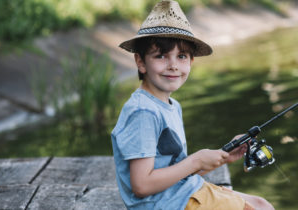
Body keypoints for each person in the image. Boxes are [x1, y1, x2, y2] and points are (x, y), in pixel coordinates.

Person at [111, 1, 274, 209]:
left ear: (191, 62)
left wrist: (222, 156)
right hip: (166, 204)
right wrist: (196, 160)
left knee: (261, 204)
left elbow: (176, 172)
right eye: (160, 56)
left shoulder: (171, 105)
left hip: (181, 192)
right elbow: (142, 185)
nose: (173, 65)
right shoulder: (143, 112)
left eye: (181, 56)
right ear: (140, 62)